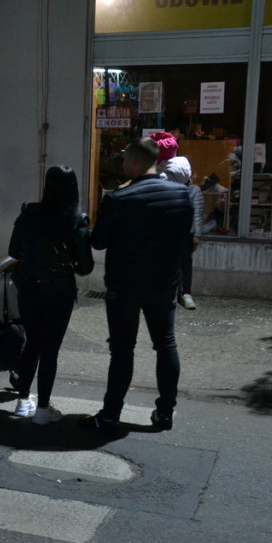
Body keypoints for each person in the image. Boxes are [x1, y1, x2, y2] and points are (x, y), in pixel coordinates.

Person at [84, 136, 193, 434]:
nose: (122, 164)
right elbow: (184, 239)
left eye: (124, 159)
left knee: (122, 350)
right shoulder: (181, 194)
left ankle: (110, 416)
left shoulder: (119, 198)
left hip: (125, 286)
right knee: (166, 344)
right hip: (164, 284)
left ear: (134, 161)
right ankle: (165, 413)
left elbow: (99, 241)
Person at [8, 166, 94, 424]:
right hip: (59, 289)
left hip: (28, 285)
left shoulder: (29, 212)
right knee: (50, 349)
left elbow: (14, 250)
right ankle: (43, 409)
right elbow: (85, 267)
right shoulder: (76, 220)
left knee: (31, 342)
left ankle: (22, 400)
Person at [162, 157, 204, 310]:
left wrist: (196, 234)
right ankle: (172, 291)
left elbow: (197, 214)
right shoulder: (170, 187)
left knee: (185, 263)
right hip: (170, 232)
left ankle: (186, 293)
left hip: (185, 233)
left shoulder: (193, 190)